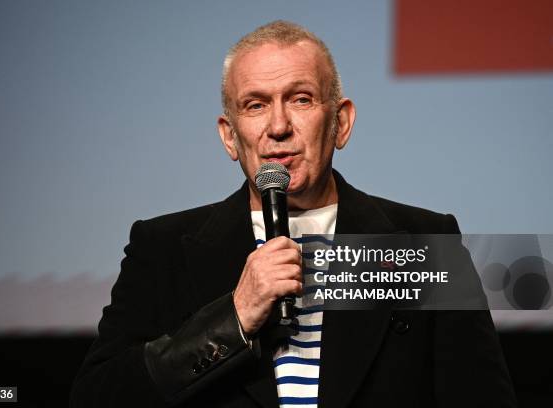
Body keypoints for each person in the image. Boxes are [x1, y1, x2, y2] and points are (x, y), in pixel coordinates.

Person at [70, 21, 516, 407]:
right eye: (256, 104)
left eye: (300, 99)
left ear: (340, 122)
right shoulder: (162, 247)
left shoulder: (423, 242)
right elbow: (97, 398)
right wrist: (235, 317)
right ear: (230, 136)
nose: (278, 126)